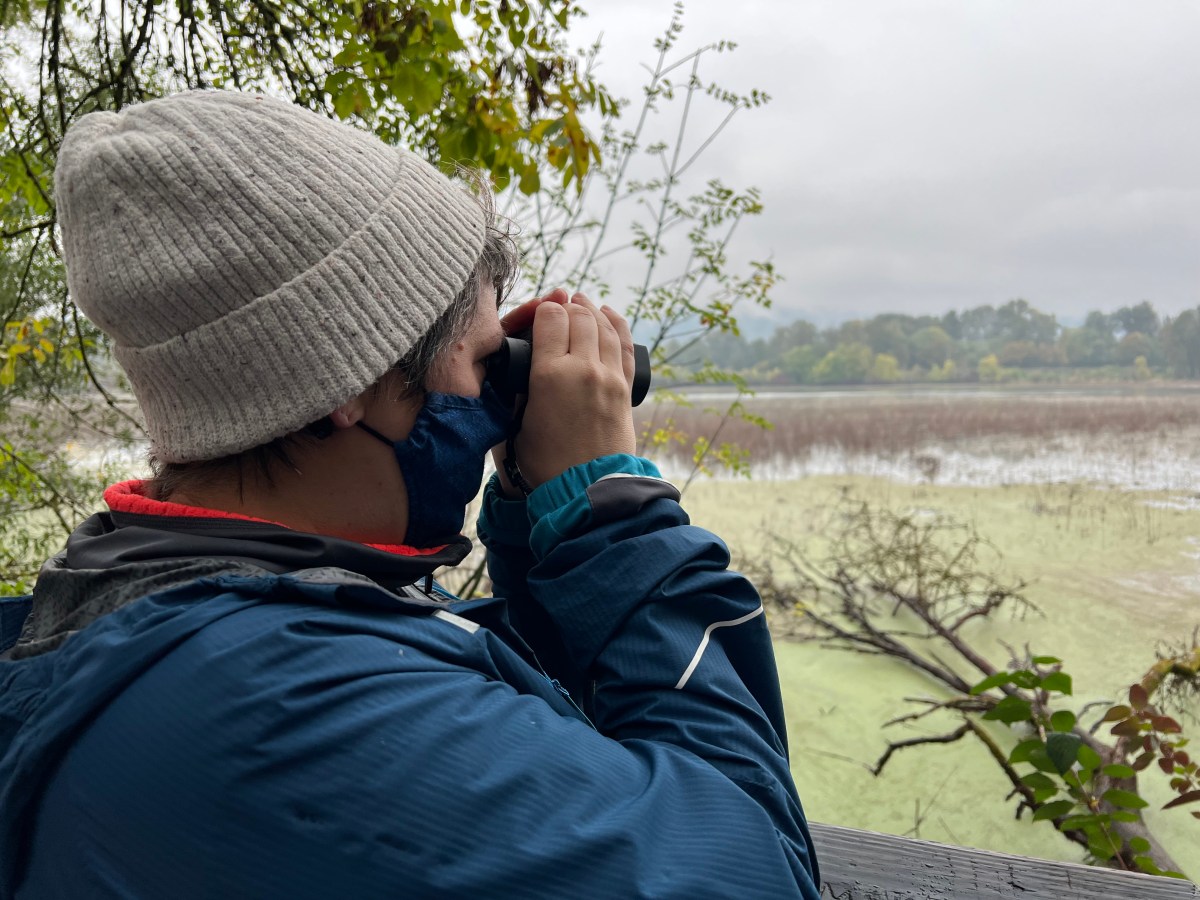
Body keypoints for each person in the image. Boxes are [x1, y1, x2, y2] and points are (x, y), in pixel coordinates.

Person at [0, 90, 820, 899]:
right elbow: (758, 868)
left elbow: (542, 724)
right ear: (348, 380)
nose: (499, 397)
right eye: (484, 360)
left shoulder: (148, 602)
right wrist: (613, 516)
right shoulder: (297, 711)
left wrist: (541, 516)